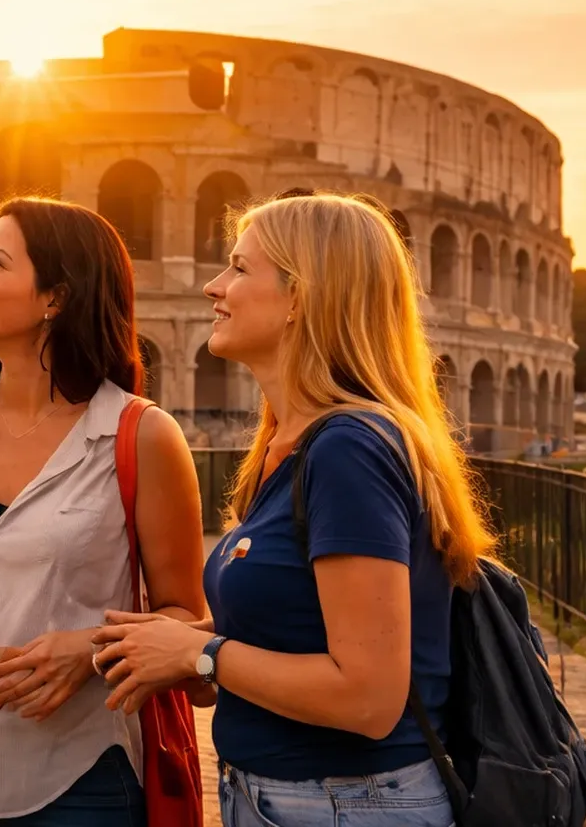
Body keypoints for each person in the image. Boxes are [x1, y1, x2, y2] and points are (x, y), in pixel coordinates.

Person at [93, 192, 496, 827]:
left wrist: (201, 655)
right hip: (299, 798)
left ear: (300, 297)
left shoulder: (349, 449)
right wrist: (171, 647)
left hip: (351, 803)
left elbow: (368, 697)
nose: (213, 285)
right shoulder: (290, 445)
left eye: (238, 268)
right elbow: (294, 635)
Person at [0, 197, 209, 825]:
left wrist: (88, 650)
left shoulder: (142, 436)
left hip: (72, 780)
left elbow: (186, 616)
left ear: (56, 296)